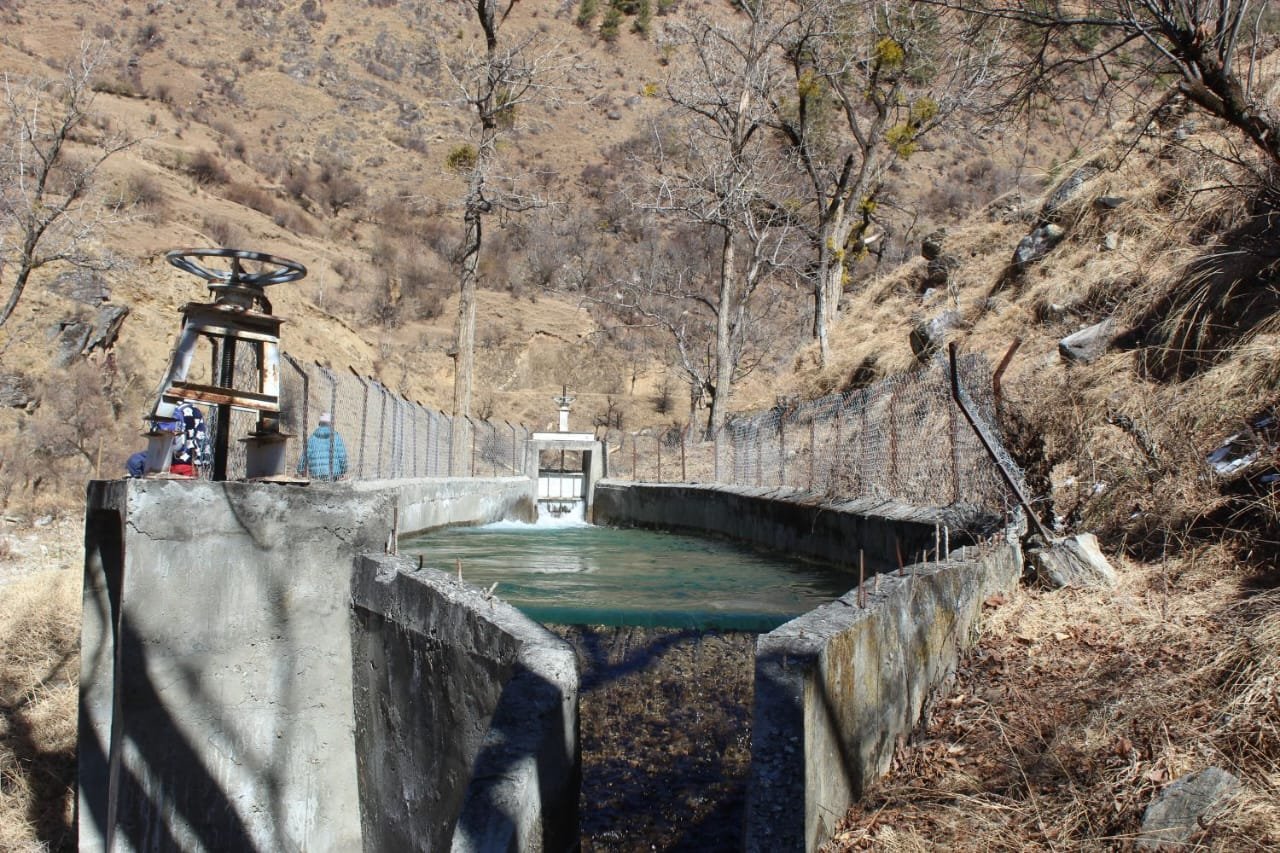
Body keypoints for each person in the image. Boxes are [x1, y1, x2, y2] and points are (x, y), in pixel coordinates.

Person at [298, 412, 348, 481]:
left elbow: (304, 458)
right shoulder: (336, 437)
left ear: (320, 424)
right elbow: (342, 457)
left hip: (316, 475)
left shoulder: (311, 439)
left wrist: (300, 470)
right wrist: (343, 471)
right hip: (334, 474)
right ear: (331, 424)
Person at [170, 399, 210, 477]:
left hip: (165, 461)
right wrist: (202, 458)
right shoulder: (194, 410)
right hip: (188, 464)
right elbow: (200, 436)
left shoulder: (166, 409)